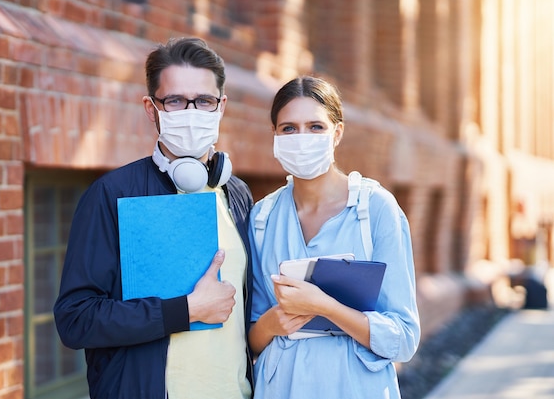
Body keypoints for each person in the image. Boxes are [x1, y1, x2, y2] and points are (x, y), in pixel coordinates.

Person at [54, 37, 254, 399]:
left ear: (221, 106)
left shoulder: (236, 194)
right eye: (175, 101)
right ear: (151, 109)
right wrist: (186, 310)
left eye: (204, 101)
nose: (191, 112)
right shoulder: (112, 194)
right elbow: (75, 319)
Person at [248, 76, 420, 398]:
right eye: (289, 128)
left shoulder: (375, 209)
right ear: (274, 135)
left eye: (315, 126)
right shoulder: (261, 217)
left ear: (337, 133)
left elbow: (404, 338)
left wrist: (326, 307)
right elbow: (251, 337)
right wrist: (272, 323)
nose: (302, 137)